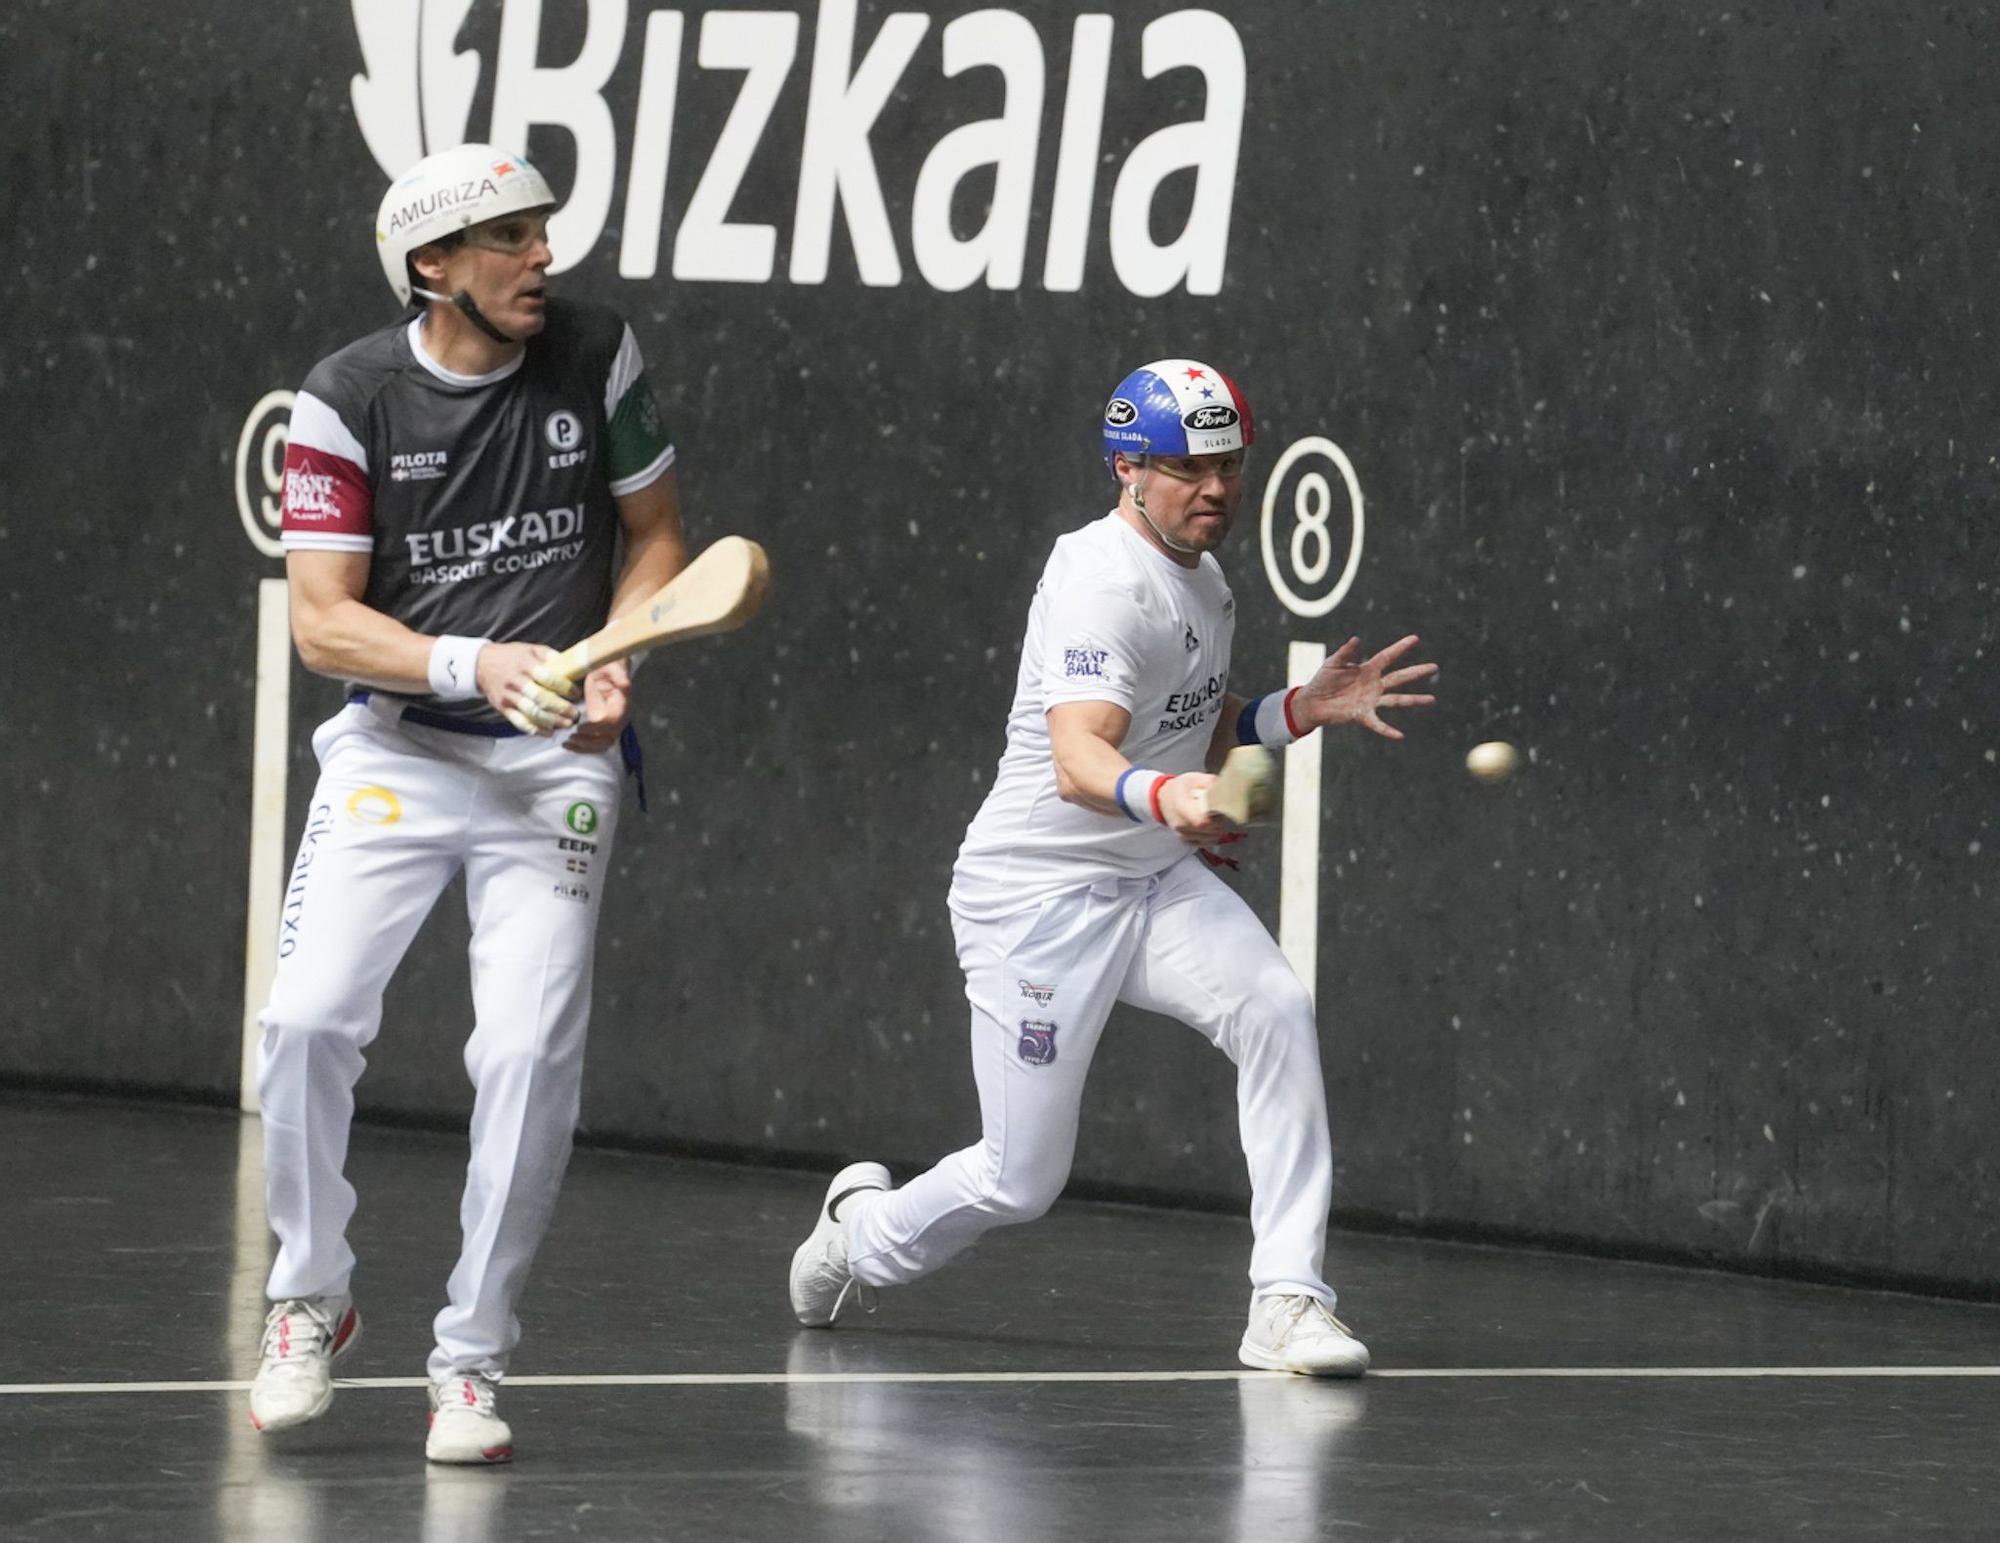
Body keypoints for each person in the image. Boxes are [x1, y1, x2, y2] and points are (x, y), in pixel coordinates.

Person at [788, 360, 1436, 1375]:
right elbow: (1083, 757)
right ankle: (853, 1234)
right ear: (1128, 467)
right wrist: (1171, 798)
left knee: (1273, 1006)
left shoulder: (1207, 581)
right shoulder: (1098, 581)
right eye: (1188, 467)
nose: (1216, 487)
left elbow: (1196, 725)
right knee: (1017, 1179)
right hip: (1034, 902)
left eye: (1227, 464)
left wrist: (1298, 711)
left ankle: (1286, 1300)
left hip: (1147, 883)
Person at [247, 144, 686, 1461]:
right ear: (432, 266)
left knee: (526, 1053)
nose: (541, 256)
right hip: (402, 750)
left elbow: (658, 539)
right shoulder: (346, 399)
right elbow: (326, 624)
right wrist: (473, 664)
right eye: (506, 238)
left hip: (555, 764)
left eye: (543, 231)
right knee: (307, 1019)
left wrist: (617, 660)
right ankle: (309, 1292)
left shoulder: (597, 356)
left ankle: (471, 1359)